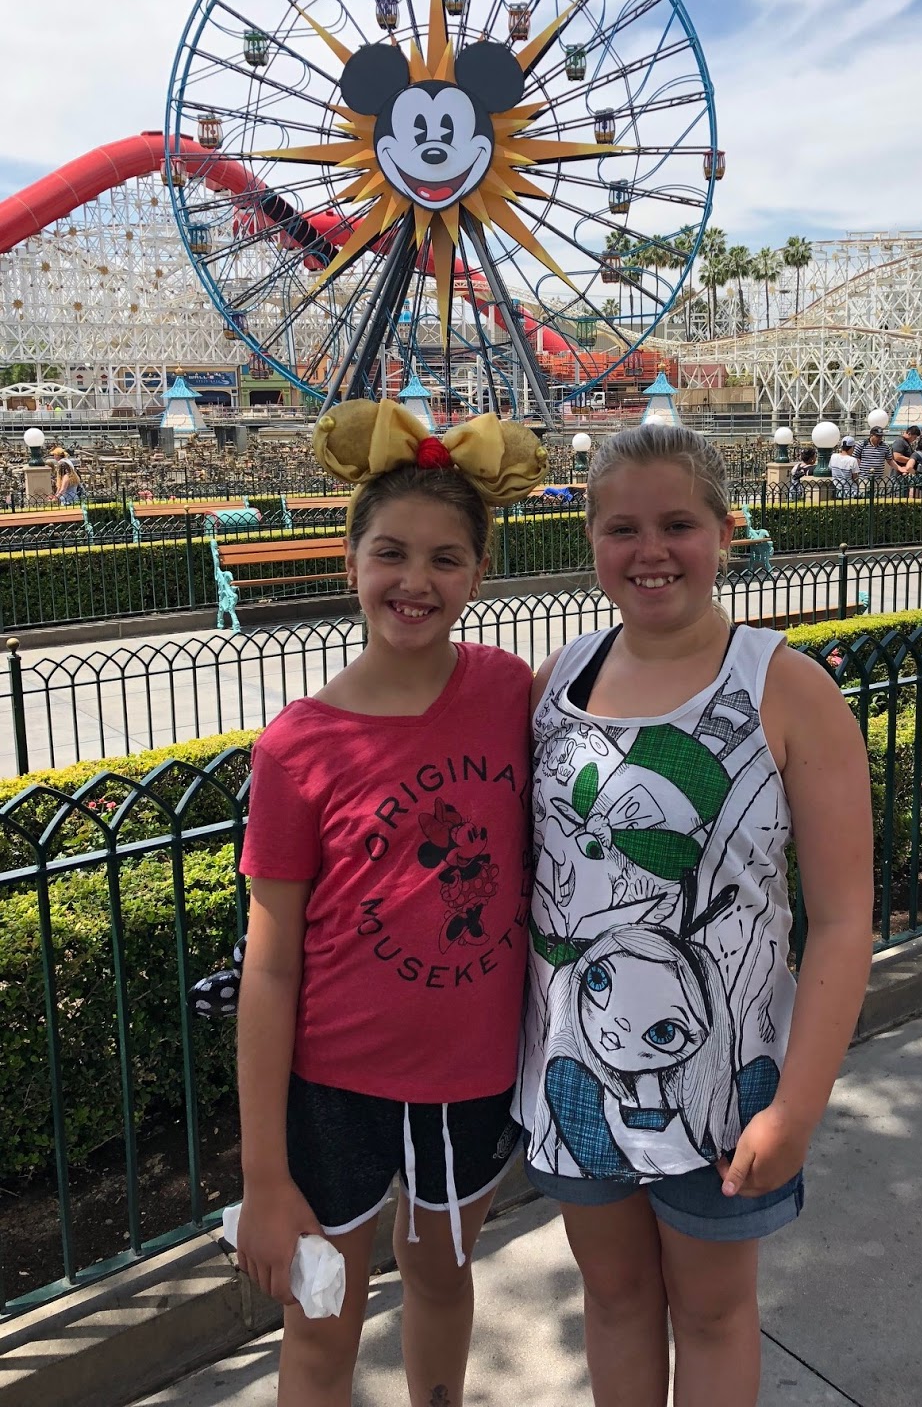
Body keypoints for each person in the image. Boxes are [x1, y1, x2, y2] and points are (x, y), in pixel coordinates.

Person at [516, 422, 873, 1407]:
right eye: (622, 529)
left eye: (677, 524)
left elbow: (844, 918)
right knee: (614, 1298)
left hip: (725, 1092)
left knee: (712, 1313)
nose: (651, 551)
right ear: (591, 540)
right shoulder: (558, 681)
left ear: (724, 530)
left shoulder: (786, 689)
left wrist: (795, 1106)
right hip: (576, 1078)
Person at [234, 398, 544, 1407]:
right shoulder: (298, 746)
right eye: (392, 554)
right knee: (321, 1320)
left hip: (472, 1074)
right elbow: (270, 964)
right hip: (332, 1088)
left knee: (441, 1278)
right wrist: (264, 1175)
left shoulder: (510, 691)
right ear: (351, 563)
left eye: (445, 558)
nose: (416, 580)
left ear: (478, 574)